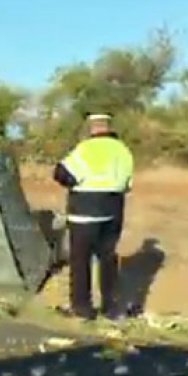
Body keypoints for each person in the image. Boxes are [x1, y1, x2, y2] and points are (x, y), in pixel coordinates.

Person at [53, 113, 133, 320]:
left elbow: (61, 174)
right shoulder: (123, 150)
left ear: (93, 128)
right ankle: (111, 307)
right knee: (107, 258)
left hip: (86, 212)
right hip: (113, 211)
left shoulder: (87, 149)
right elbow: (127, 184)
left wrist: (73, 185)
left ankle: (82, 308)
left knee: (80, 261)